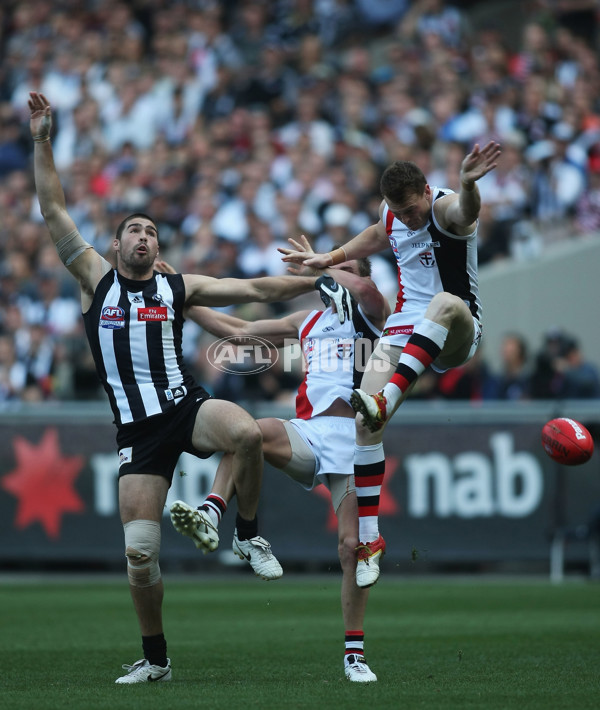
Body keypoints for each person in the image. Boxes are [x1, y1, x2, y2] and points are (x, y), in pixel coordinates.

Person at [28, 91, 349, 685]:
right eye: (134, 231)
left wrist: (319, 277)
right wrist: (44, 140)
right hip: (136, 433)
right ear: (117, 244)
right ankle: (156, 660)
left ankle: (248, 536)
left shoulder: (178, 287)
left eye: (152, 231)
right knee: (141, 554)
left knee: (246, 433)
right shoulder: (95, 279)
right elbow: (52, 210)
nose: (145, 237)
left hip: (184, 406)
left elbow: (253, 288)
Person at [159, 238, 389, 681]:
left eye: (350, 269)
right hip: (309, 432)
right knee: (247, 432)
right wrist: (180, 297)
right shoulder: (308, 320)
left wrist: (322, 265)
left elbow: (367, 293)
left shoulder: (374, 316)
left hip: (355, 443)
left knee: (350, 549)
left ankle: (354, 654)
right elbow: (234, 331)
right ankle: (213, 513)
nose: (340, 277)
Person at [280, 141, 501, 587]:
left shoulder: (443, 211)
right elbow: (375, 236)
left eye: (411, 209)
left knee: (443, 301)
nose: (407, 218)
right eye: (398, 212)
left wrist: (467, 184)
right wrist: (329, 257)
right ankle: (370, 539)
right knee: (366, 425)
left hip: (457, 326)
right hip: (404, 329)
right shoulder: (393, 215)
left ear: (425, 190)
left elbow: (466, 211)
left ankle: (388, 396)